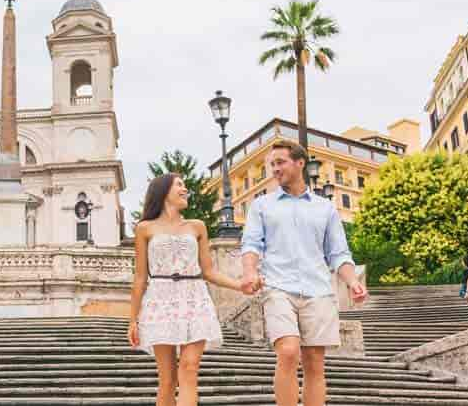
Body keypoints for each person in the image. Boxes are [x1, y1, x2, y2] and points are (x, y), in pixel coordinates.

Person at [240, 140, 368, 406]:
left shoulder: (325, 208)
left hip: (318, 290)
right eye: (272, 164)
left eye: (280, 162)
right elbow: (251, 244)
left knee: (314, 365)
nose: (275, 169)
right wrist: (250, 271)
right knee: (287, 352)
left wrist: (353, 281)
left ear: (300, 163)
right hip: (277, 287)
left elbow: (338, 254)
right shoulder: (262, 206)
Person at [127, 173, 253, 406]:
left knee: (189, 367)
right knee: (167, 380)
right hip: (159, 299)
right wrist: (133, 320)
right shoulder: (145, 228)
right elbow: (140, 278)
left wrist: (239, 285)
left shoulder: (197, 226)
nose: (185, 190)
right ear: (163, 191)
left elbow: (209, 271)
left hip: (194, 297)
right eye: (180, 185)